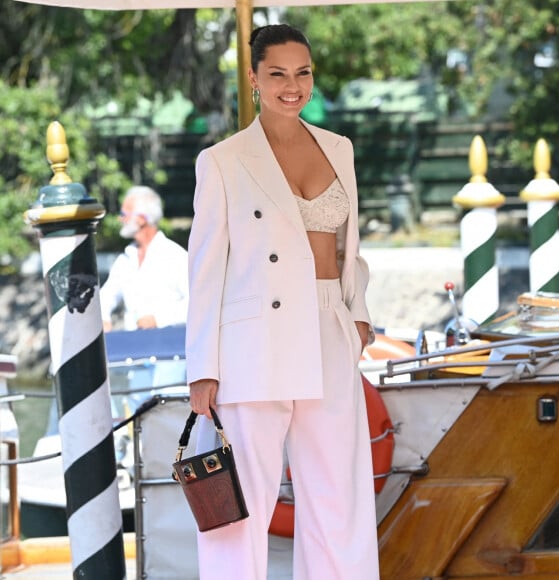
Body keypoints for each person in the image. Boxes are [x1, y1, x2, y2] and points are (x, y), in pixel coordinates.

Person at [186, 24, 380, 580]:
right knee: (241, 504)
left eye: (303, 73)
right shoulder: (221, 160)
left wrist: (358, 314)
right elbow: (204, 269)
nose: (292, 86)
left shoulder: (338, 148)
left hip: (328, 329)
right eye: (277, 74)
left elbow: (350, 248)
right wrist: (203, 367)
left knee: (338, 498)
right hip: (253, 343)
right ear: (253, 78)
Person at [100, 186, 188, 332]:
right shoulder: (125, 259)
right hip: (132, 349)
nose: (120, 218)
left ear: (141, 219)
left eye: (124, 213)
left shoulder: (174, 256)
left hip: (169, 349)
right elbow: (105, 297)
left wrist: (159, 319)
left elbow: (198, 304)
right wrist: (103, 318)